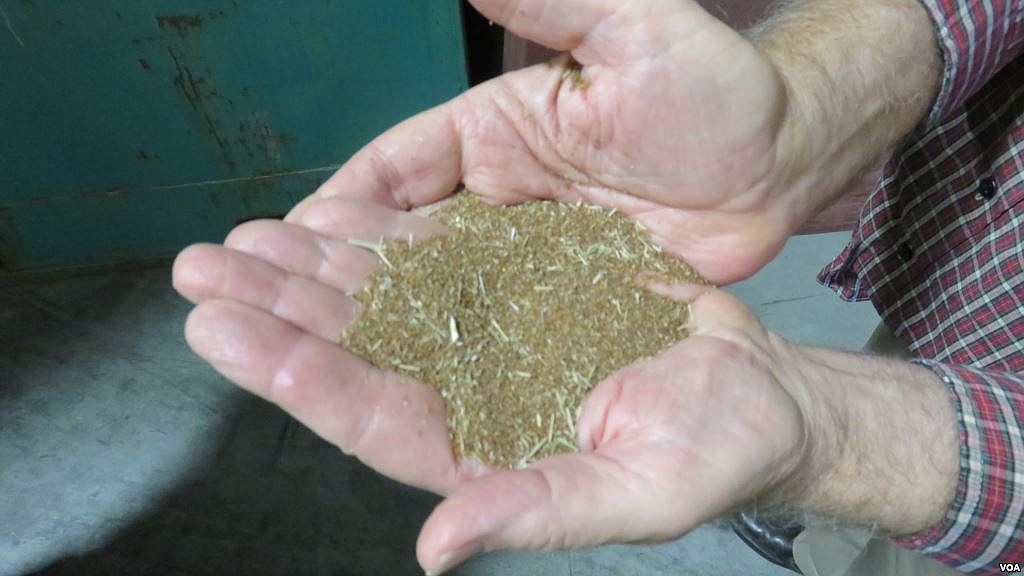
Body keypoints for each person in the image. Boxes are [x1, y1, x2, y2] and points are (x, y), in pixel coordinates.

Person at [171, 0, 1024, 574]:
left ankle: (838, 515)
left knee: (893, 536)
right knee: (872, 439)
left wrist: (837, 435)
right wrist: (799, 113)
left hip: (999, 506)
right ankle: (829, 525)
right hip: (964, 286)